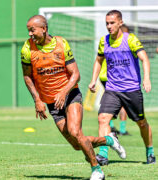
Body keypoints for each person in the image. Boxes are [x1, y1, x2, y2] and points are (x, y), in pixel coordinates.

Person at [21, 15, 126, 180]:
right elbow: (27, 77)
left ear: (44, 29)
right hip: (51, 103)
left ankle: (96, 170)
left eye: (32, 29)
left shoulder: (61, 44)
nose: (30, 34)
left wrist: (63, 92)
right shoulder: (27, 48)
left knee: (75, 132)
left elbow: (75, 74)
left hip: (70, 95)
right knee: (77, 145)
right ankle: (109, 140)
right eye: (28, 30)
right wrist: (37, 99)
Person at [89, 10, 156, 166]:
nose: (109, 26)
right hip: (112, 89)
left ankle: (150, 152)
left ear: (120, 23)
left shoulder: (131, 40)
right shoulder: (103, 41)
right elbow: (98, 60)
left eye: (112, 23)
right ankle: (103, 155)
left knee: (141, 123)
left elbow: (144, 58)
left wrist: (146, 78)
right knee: (102, 119)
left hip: (131, 89)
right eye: (107, 23)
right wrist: (93, 80)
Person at [99, 24, 131, 136]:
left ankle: (112, 127)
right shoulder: (116, 44)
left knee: (111, 103)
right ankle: (120, 129)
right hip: (112, 77)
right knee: (122, 103)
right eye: (125, 33)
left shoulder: (108, 43)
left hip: (105, 77)